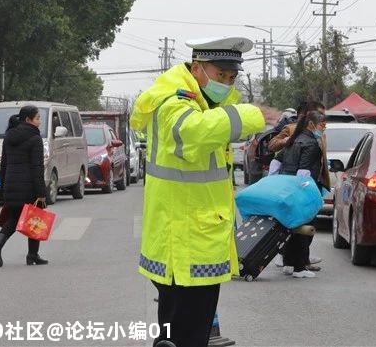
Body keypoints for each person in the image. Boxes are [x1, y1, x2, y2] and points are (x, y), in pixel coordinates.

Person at [130, 36, 266, 347]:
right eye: (221, 75)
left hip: (191, 237)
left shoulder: (202, 103)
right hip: (183, 241)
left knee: (178, 332)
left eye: (232, 78)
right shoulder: (175, 103)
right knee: (187, 334)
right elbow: (192, 132)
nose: (227, 84)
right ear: (197, 68)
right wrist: (249, 115)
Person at [0, 105, 48, 267]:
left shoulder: (9, 136)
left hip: (12, 184)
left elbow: (4, 164)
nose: (39, 122)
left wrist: (5, 186)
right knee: (33, 217)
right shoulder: (35, 138)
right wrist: (41, 192)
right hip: (28, 186)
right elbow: (37, 168)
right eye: (37, 118)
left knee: (16, 218)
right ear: (28, 120)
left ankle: (32, 254)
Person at [276, 110, 328, 278]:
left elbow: (277, 159)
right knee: (303, 229)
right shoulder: (311, 144)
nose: (324, 128)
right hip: (302, 190)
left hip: (287, 187)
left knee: (291, 227)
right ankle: (300, 267)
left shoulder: (294, 139)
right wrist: (304, 194)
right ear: (311, 124)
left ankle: (288, 263)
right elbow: (304, 171)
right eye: (322, 125)